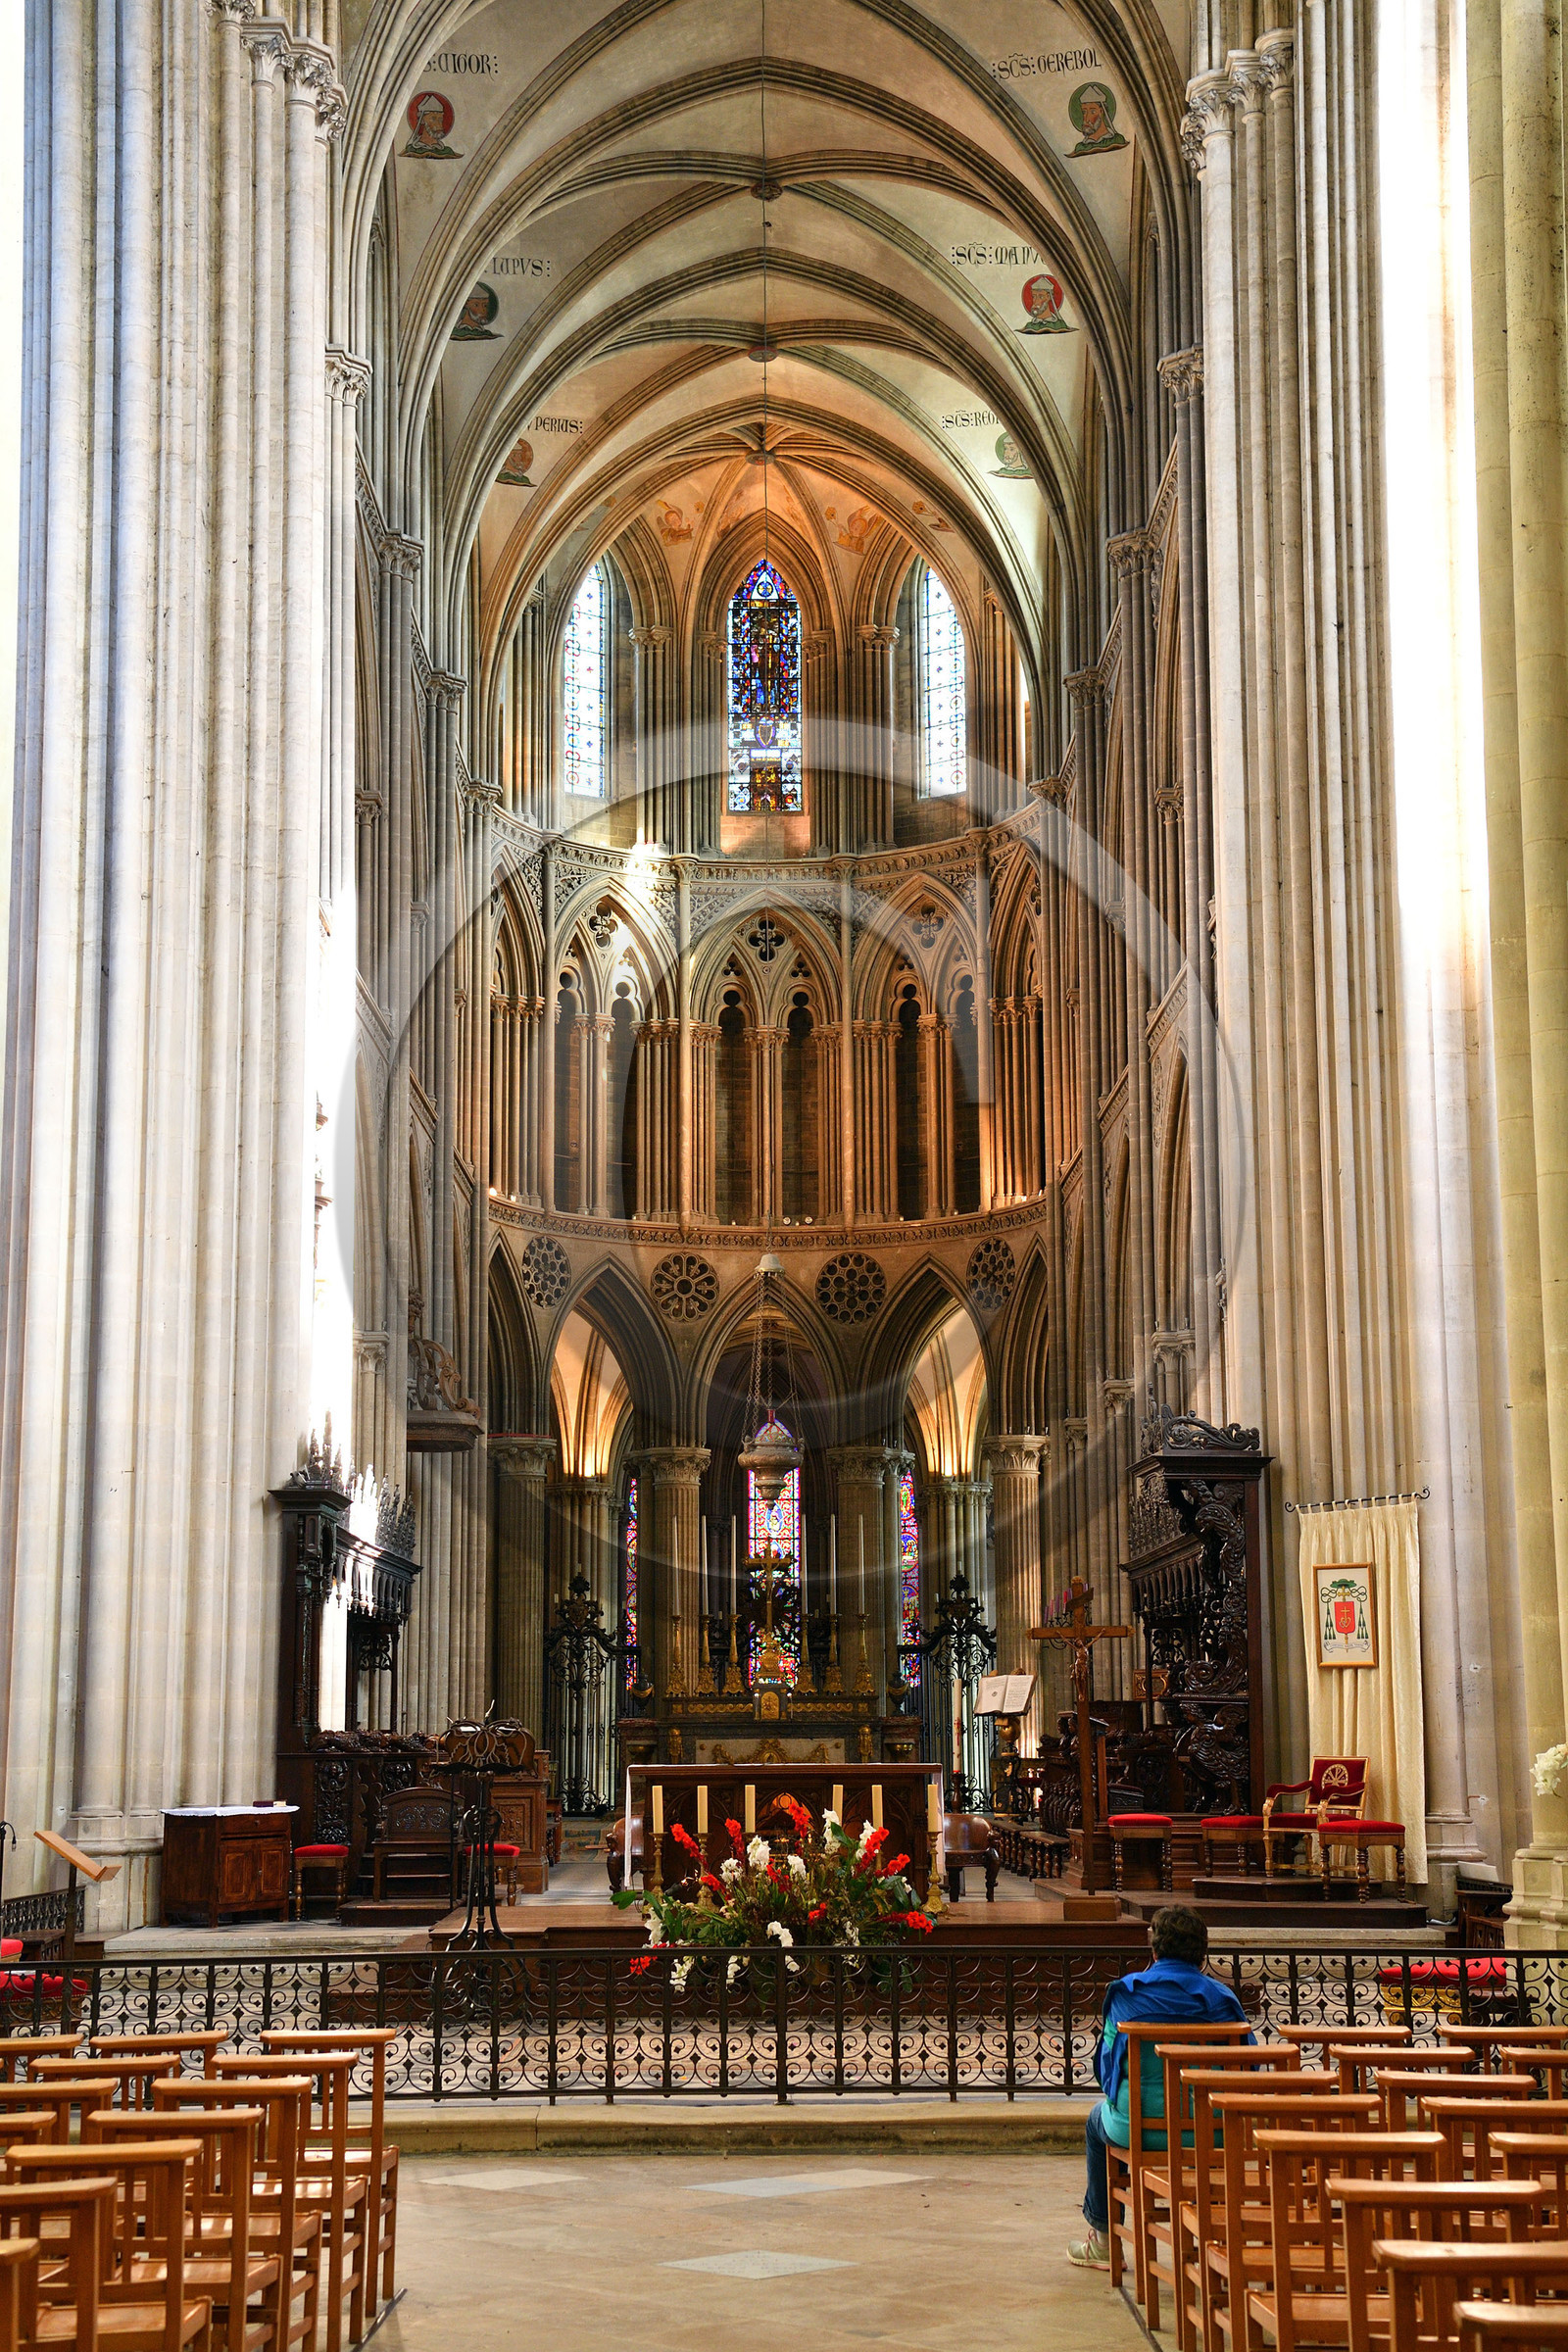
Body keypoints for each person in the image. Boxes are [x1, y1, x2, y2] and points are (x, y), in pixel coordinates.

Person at [1067, 1903, 1250, 2269]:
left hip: (1137, 2130)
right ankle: (1218, 2240)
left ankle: (1105, 2241)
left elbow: (1105, 2070)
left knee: (1095, 2122)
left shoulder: (1125, 1996)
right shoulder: (1225, 2002)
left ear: (1154, 1950)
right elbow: (1246, 2068)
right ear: (1202, 1955)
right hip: (1211, 2133)